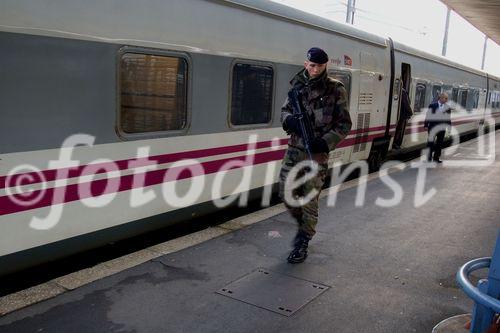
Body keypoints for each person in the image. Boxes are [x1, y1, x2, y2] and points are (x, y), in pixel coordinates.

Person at [279, 47, 352, 264]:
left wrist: (326, 141)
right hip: (294, 150)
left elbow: (344, 124)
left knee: (309, 199)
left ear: (325, 66)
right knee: (286, 192)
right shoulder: (297, 86)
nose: (314, 69)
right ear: (305, 64)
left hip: (316, 154)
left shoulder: (335, 89)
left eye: (319, 66)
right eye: (311, 65)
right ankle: (304, 225)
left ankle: (303, 240)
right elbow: (285, 110)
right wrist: (289, 120)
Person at [424, 92, 452, 163]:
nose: (446, 100)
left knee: (439, 144)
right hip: (432, 127)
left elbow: (448, 118)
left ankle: (436, 158)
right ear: (441, 98)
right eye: (445, 98)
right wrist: (426, 125)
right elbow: (428, 115)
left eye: (447, 98)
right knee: (430, 143)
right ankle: (428, 159)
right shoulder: (432, 105)